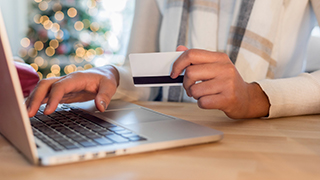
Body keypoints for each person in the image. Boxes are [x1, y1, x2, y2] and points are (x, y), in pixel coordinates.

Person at [26, 0, 320, 119]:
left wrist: (254, 97)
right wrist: (112, 76)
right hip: (171, 132)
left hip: (264, 142)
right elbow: (143, 67)